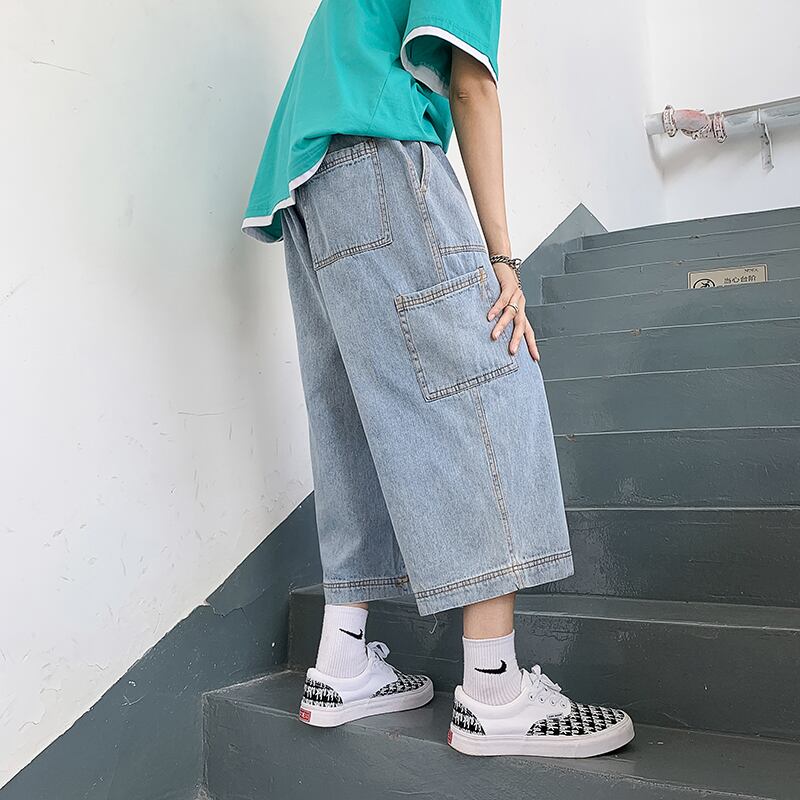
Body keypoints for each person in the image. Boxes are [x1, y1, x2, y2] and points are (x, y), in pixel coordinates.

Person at [241, 0, 634, 758]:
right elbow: (471, 85)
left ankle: (342, 660)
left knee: (352, 414)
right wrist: (503, 259)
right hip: (383, 164)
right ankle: (493, 690)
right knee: (491, 380)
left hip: (309, 189)